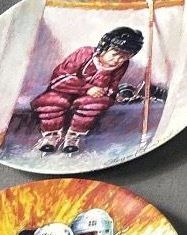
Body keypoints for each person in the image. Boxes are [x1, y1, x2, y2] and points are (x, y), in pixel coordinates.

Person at [31, 26, 145, 154]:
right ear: (104, 48)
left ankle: (73, 136)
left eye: (124, 57)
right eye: (114, 54)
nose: (118, 60)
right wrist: (87, 88)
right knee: (51, 101)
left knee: (96, 103)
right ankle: (51, 136)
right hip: (64, 90)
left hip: (91, 96)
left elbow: (112, 85)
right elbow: (59, 78)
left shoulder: (121, 65)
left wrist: (113, 93)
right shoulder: (84, 53)